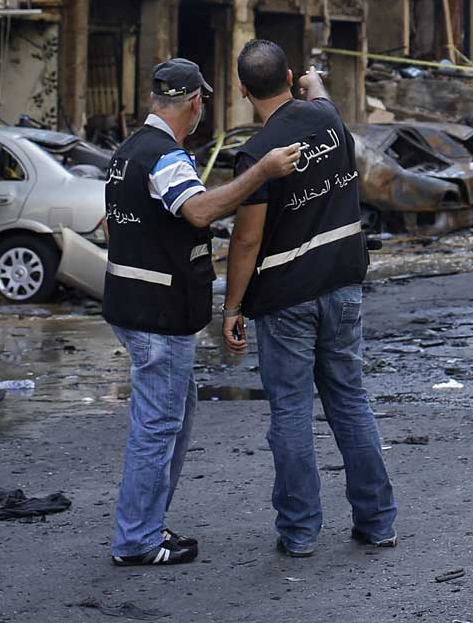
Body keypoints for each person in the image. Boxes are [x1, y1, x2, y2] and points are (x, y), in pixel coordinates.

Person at [101, 59, 301, 568]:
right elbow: (199, 211)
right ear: (193, 103)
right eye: (202, 102)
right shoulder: (166, 157)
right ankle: (138, 540)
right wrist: (262, 171)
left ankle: (144, 526)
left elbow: (119, 224)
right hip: (159, 314)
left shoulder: (128, 152)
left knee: (170, 415)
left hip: (135, 305)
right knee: (157, 427)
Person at [220, 43, 395, 557]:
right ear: (292, 77)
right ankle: (378, 522)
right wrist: (313, 82)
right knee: (350, 400)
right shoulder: (328, 118)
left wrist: (232, 308)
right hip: (342, 286)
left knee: (292, 413)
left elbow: (247, 241)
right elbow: (319, 95)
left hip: (286, 299)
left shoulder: (258, 154)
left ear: (243, 90)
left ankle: (299, 533)